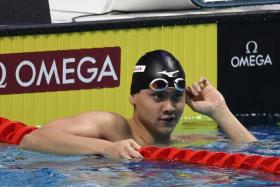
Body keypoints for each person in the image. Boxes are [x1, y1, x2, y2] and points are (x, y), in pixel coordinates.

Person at [18, 50, 257, 159]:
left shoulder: (186, 144)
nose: (169, 107)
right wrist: (107, 148)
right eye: (158, 97)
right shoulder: (114, 127)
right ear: (133, 96)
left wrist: (220, 111)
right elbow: (33, 139)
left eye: (176, 97)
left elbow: (254, 154)